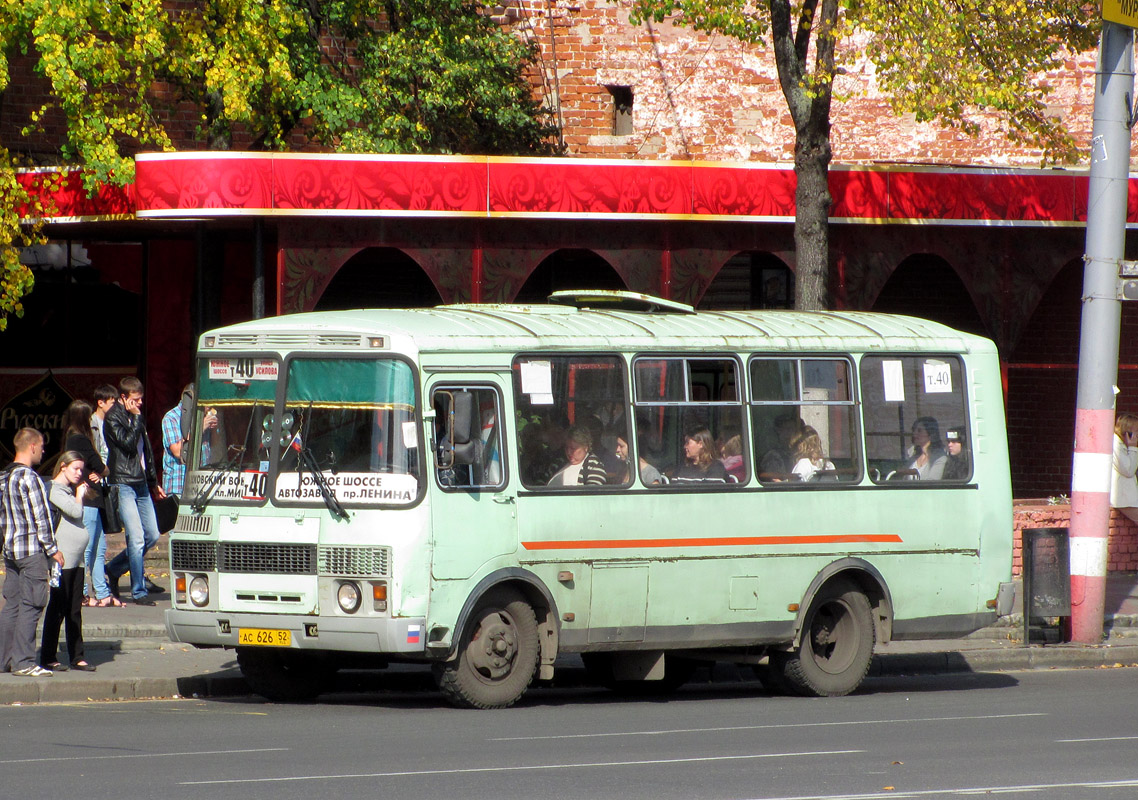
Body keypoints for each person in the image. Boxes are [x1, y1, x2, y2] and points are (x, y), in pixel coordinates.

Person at [0, 428, 64, 677]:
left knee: (11, 606)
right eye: (42, 445)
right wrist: (53, 550)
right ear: (33, 446)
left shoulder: (3, 477)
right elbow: (42, 518)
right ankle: (24, 662)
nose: (44, 450)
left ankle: (4, 659)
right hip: (31, 551)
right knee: (33, 604)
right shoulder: (30, 478)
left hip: (10, 550)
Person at [103, 377, 165, 606]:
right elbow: (128, 445)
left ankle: (114, 568)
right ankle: (139, 591)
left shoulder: (136, 416)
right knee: (136, 537)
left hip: (140, 482)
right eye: (135, 400)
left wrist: (153, 480)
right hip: (123, 482)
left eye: (141, 400)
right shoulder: (113, 418)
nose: (139, 404)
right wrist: (136, 419)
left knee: (152, 534)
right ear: (123, 399)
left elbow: (144, 451)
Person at [40, 451, 96, 672]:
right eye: (75, 468)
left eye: (81, 469)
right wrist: (80, 495)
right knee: (57, 607)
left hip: (76, 559)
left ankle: (77, 656)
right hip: (63, 559)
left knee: (74, 609)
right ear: (63, 467)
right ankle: (48, 656)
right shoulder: (55, 488)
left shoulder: (68, 490)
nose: (79, 473)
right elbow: (74, 511)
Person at [62, 400, 117, 608]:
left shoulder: (70, 437)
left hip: (92, 498)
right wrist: (102, 471)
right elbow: (101, 466)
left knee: (99, 547)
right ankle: (83, 593)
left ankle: (102, 592)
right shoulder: (80, 439)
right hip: (89, 498)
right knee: (89, 548)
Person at [1111, 413, 1138, 524]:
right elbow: (1128, 470)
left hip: (1128, 498)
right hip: (1123, 499)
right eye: (1136, 431)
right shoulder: (1115, 445)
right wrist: (1132, 447)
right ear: (1127, 431)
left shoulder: (1123, 444)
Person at [759, 413, 800, 480]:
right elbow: (775, 480)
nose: (791, 433)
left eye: (793, 429)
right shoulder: (773, 456)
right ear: (779, 431)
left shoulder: (797, 452)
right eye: (787, 429)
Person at [906, 416, 947, 481]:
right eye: (914, 430)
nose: (915, 434)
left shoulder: (940, 458)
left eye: (919, 431)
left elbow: (932, 483)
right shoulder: (913, 457)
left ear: (931, 433)